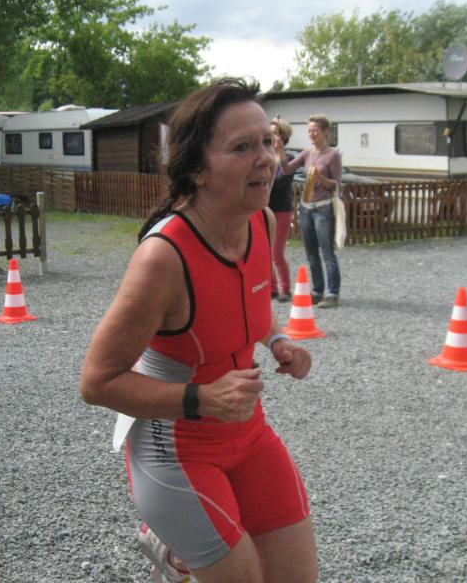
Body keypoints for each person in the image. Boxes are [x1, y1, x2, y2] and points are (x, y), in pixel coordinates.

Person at [80, 78, 317, 583]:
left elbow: (248, 302)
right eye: (242, 147)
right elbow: (97, 382)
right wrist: (202, 399)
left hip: (248, 434)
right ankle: (173, 549)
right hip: (175, 449)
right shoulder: (162, 258)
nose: (266, 158)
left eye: (267, 142)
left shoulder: (259, 222)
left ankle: (180, 552)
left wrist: (278, 339)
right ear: (197, 169)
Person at [274, 113, 342, 308]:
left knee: (327, 252)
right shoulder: (306, 153)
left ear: (325, 131)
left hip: (323, 208)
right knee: (311, 252)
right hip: (306, 208)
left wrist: (322, 178)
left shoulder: (332, 155)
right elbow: (287, 170)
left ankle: (333, 293)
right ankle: (317, 291)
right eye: (310, 130)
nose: (312, 134)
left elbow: (337, 184)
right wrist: (280, 152)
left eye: (315, 130)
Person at [268, 116, 295, 302]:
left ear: (283, 137)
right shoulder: (266, 156)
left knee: (277, 252)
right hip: (266, 209)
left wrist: (278, 157)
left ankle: (286, 288)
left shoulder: (289, 158)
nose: (271, 137)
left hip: (282, 209)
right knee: (265, 251)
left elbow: (279, 181)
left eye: (274, 133)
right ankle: (272, 288)